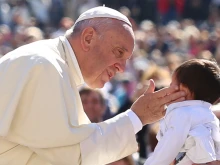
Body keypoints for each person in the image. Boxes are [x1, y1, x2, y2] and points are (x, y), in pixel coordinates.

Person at [0, 6, 185, 165]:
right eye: (118, 52)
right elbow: (72, 155)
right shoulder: (44, 66)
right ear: (88, 38)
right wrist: (136, 117)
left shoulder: (56, 67)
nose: (121, 68)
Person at [144, 59, 220, 165]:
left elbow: (167, 149)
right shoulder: (211, 117)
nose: (168, 90)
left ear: (183, 89)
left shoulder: (181, 114)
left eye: (171, 84)